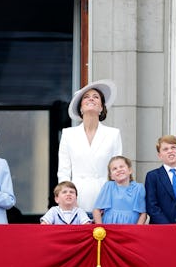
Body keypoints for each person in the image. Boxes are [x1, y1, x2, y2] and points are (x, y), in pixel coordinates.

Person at [58, 80, 122, 214]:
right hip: (76, 200)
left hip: (106, 200)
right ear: (80, 108)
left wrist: (113, 199)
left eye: (96, 97)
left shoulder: (113, 134)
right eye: (86, 97)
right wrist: (67, 198)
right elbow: (64, 172)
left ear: (101, 108)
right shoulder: (68, 134)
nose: (91, 99)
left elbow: (117, 171)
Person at [92, 156, 146, 224]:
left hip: (131, 227)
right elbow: (96, 210)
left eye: (121, 166)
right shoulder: (109, 186)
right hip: (110, 226)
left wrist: (137, 230)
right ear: (111, 176)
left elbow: (143, 214)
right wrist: (100, 227)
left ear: (130, 170)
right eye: (114, 169)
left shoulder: (138, 188)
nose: (119, 170)